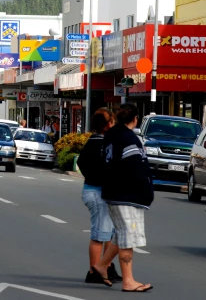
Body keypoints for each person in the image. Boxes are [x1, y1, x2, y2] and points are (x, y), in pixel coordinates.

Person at [93, 104, 153, 293]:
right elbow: (135, 167)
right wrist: (145, 190)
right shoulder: (128, 138)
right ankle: (128, 281)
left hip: (114, 191)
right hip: (127, 194)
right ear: (135, 118)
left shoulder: (111, 135)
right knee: (128, 237)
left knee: (120, 234)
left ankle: (102, 265)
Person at [77, 108, 121, 286]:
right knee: (99, 234)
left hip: (97, 190)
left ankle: (107, 267)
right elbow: (90, 165)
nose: (113, 124)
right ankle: (94, 270)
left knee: (109, 233)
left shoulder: (97, 141)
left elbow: (81, 162)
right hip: (97, 192)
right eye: (111, 122)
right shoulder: (99, 143)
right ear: (106, 125)